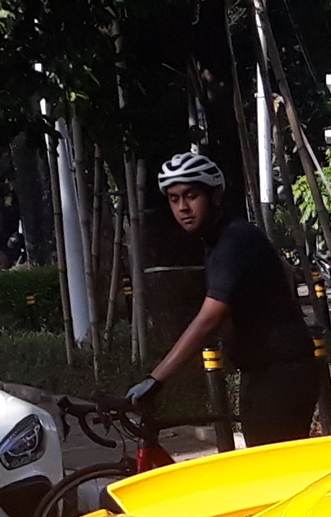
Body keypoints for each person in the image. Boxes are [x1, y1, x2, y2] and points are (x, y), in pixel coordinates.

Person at [128, 149, 317, 447]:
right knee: (261, 468)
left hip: (282, 373)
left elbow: (209, 318)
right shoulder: (220, 240)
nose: (183, 207)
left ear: (215, 197)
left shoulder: (234, 240)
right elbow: (285, 273)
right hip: (261, 371)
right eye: (174, 199)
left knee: (273, 473)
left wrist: (156, 379)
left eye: (191, 195)